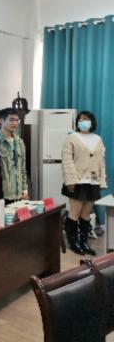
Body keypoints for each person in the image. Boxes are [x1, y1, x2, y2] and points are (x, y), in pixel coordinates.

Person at [62, 110, 107, 256]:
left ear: (92, 122)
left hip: (93, 181)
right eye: (80, 119)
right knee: (75, 212)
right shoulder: (72, 138)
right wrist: (70, 180)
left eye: (86, 119)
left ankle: (84, 242)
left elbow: (101, 162)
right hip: (77, 181)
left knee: (86, 213)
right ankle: (73, 242)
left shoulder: (98, 139)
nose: (83, 121)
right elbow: (67, 161)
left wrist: (102, 181)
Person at [0, 108, 28, 204]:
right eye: (11, 120)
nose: (14, 123)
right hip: (2, 193)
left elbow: (22, 168)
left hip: (18, 193)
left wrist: (24, 188)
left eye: (17, 120)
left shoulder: (19, 142)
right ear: (1, 120)